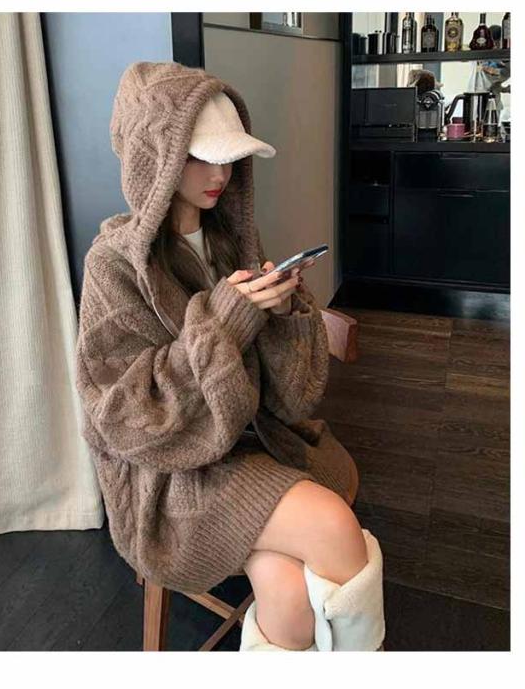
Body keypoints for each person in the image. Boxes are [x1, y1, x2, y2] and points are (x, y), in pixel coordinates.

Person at [75, 61, 385, 652]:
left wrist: (285, 314)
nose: (220, 174)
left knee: (288, 593)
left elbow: (291, 398)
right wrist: (226, 321)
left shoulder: (229, 240)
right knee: (334, 527)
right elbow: (121, 415)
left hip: (252, 439)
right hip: (171, 474)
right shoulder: (112, 265)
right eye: (200, 157)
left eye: (228, 158)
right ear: (155, 158)